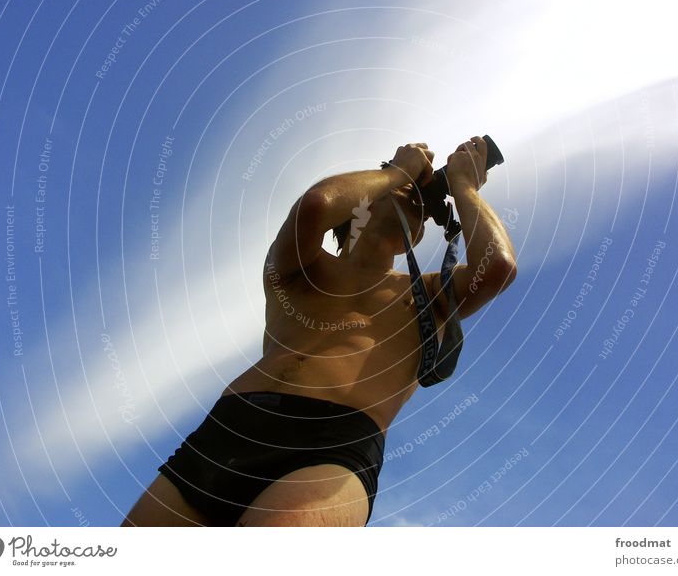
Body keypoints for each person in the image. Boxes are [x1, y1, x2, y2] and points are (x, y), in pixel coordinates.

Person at [121, 136, 517, 527]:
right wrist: (399, 170)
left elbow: (496, 266)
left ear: (415, 237)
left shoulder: (428, 293)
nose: (409, 194)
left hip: (332, 448)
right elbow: (316, 207)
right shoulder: (305, 268)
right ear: (358, 204)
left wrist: (464, 184)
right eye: (394, 188)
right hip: (230, 428)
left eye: (418, 199)